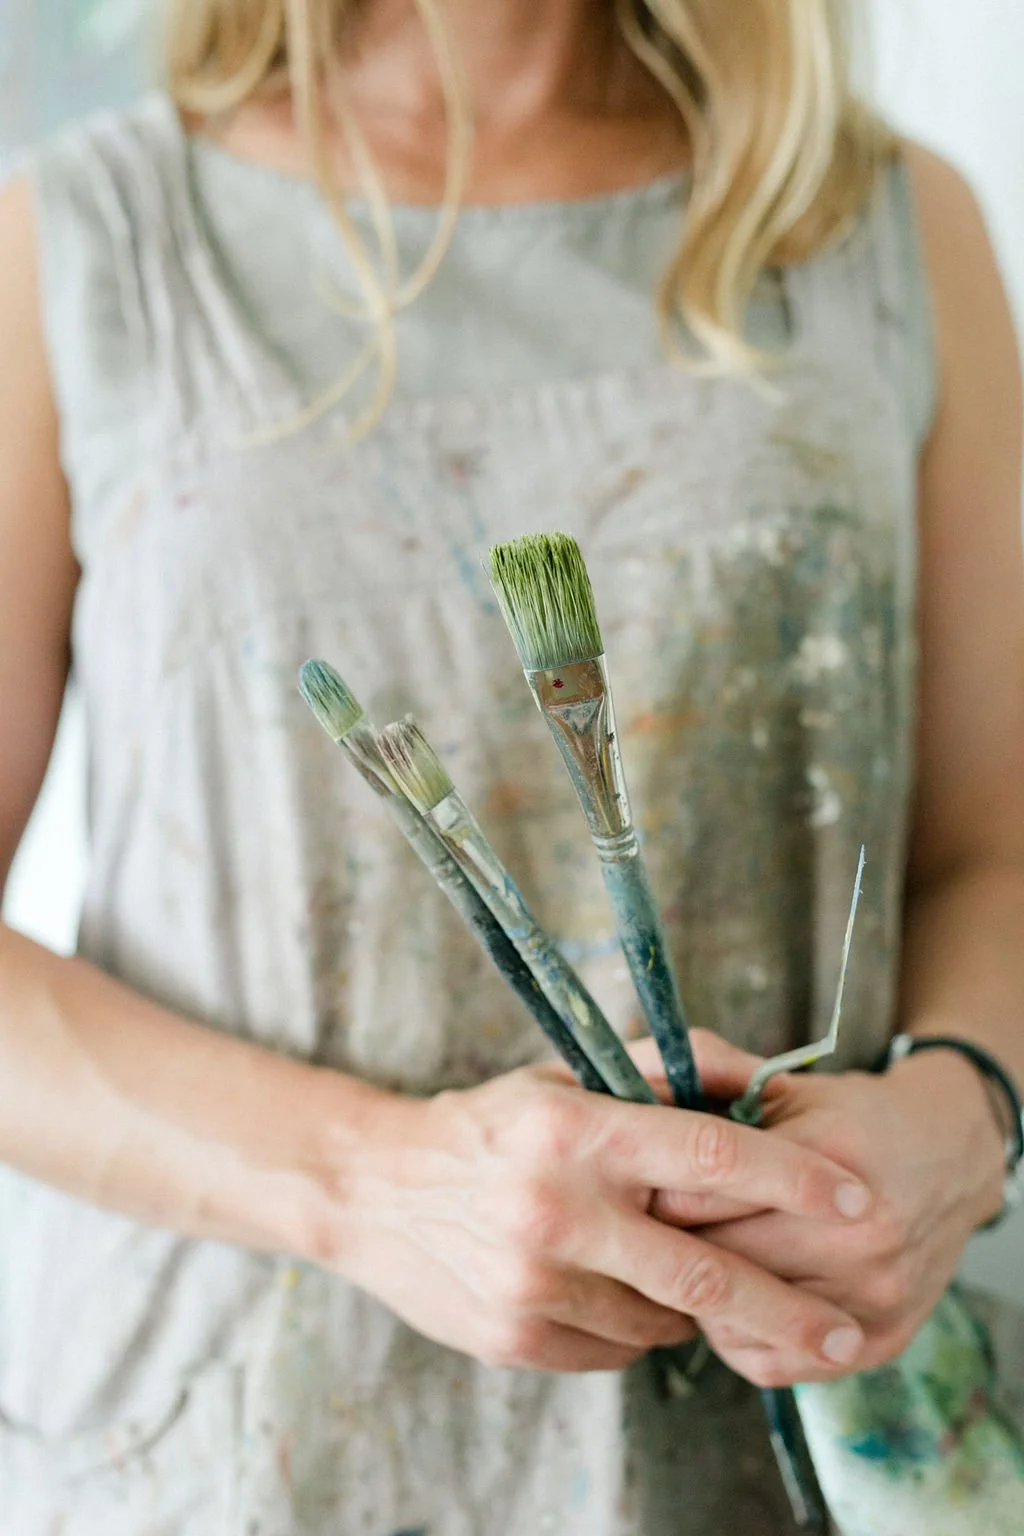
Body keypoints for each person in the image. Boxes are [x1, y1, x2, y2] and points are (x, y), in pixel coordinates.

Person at [1, 1, 1022, 1531]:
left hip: (803, 1446)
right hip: (225, 1456)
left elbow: (988, 849)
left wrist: (963, 1119)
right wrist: (365, 1182)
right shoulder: (74, 240)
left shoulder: (887, 223)